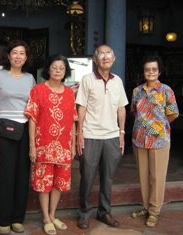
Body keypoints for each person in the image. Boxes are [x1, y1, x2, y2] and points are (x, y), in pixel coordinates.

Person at [76, 44, 128, 229]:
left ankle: (104, 212)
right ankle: (84, 213)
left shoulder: (118, 81)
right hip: (90, 135)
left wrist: (121, 133)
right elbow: (81, 107)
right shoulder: (87, 79)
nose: (105, 57)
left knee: (108, 178)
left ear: (113, 59)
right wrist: (79, 133)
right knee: (87, 177)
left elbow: (121, 108)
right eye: (101, 54)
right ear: (95, 60)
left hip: (112, 136)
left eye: (108, 54)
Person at [0, 39, 36, 234]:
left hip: (24, 130)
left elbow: (34, 105)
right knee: (5, 175)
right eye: (14, 52)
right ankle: (4, 219)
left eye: (22, 53)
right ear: (8, 56)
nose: (18, 56)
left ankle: (18, 218)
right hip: (3, 130)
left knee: (22, 175)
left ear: (26, 57)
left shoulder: (30, 78)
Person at [25, 54, 77, 235]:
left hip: (63, 146)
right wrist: (32, 145)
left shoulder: (70, 93)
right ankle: (46, 217)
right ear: (48, 69)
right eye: (54, 67)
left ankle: (53, 214)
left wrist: (72, 144)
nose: (57, 71)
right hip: (43, 145)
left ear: (65, 72)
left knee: (58, 183)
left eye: (61, 68)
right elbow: (32, 118)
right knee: (44, 183)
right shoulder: (38, 90)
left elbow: (73, 121)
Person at [130, 55, 179, 227]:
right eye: (147, 69)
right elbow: (135, 112)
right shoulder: (137, 91)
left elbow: (172, 114)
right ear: (143, 72)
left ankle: (154, 211)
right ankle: (146, 207)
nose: (150, 72)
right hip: (139, 139)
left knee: (157, 177)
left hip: (159, 140)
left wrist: (158, 126)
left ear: (159, 71)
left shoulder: (166, 90)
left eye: (154, 69)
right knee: (143, 175)